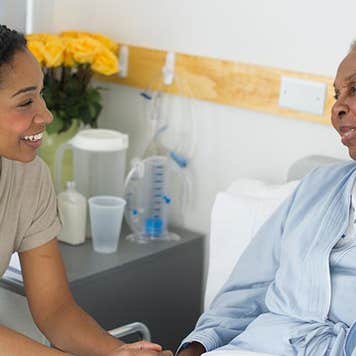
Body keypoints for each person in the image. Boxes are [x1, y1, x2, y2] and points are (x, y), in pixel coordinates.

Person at [0, 24, 172, 356]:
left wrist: (118, 352)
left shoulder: (29, 177)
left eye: (40, 94)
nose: (46, 114)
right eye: (25, 103)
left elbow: (55, 310)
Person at [177, 40, 356, 356]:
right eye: (336, 95)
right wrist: (196, 346)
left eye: (354, 90)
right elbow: (248, 289)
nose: (338, 107)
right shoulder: (316, 187)